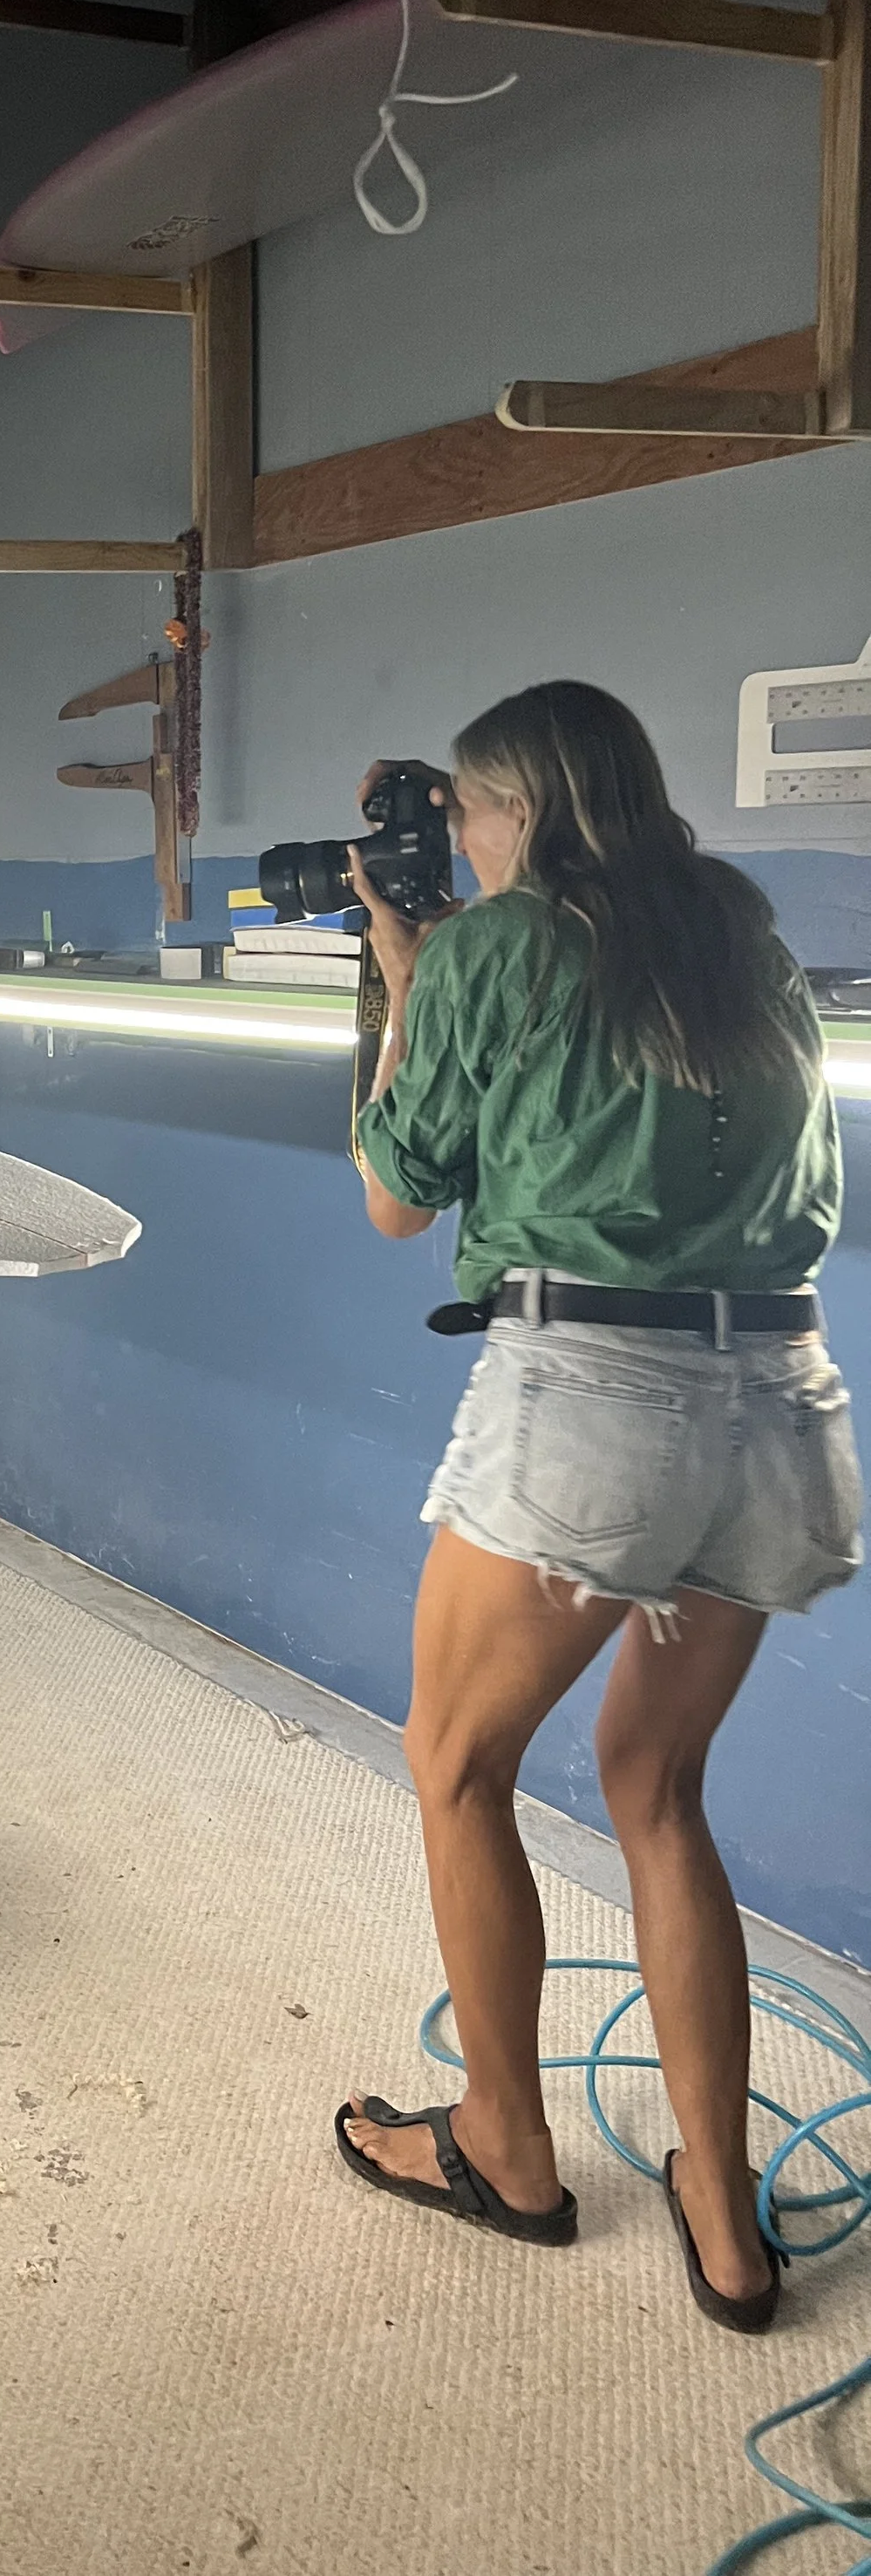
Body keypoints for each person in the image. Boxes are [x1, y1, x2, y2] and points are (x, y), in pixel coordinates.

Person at [334, 679, 859, 2334]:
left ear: (518, 812)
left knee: (455, 1762)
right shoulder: (738, 929)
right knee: (658, 1787)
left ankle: (506, 2148)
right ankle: (723, 2214)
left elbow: (396, 1201)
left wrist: (408, 985)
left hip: (595, 1412)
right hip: (784, 1408)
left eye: (478, 819)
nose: (471, 847)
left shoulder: (504, 939)